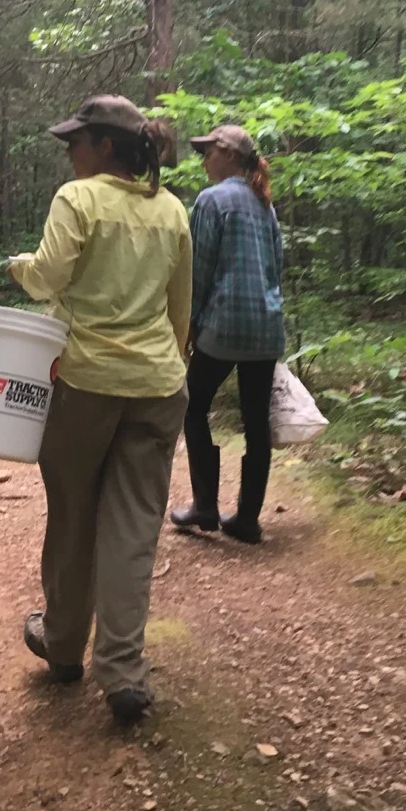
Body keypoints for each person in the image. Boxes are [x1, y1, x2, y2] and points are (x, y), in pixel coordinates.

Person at [9, 96, 191, 727]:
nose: (69, 152)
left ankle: (63, 647)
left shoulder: (77, 199)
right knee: (133, 529)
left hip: (84, 383)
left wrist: (18, 266)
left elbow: (46, 278)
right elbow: (180, 308)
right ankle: (123, 672)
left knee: (73, 514)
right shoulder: (172, 210)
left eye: (76, 141)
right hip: (158, 386)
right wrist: (167, 367)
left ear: (105, 146)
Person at [170, 125, 284, 545]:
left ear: (230, 156)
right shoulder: (265, 204)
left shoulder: (211, 200)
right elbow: (275, 267)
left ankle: (206, 507)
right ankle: (248, 520)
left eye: (209, 152)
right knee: (256, 420)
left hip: (224, 322)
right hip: (266, 325)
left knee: (193, 405)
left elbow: (198, 269)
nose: (204, 160)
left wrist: (189, 323)